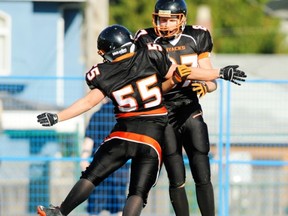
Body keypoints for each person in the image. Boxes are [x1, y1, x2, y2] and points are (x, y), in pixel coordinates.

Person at [35, 24, 195, 216]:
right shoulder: (150, 55)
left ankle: (60, 212)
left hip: (123, 134)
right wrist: (215, 74)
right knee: (137, 193)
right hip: (152, 138)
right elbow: (170, 81)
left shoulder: (105, 72)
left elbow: (88, 102)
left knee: (91, 177)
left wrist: (57, 117)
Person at [134, 0, 247, 215]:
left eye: (170, 19)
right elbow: (148, 87)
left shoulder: (196, 37)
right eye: (161, 19)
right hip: (163, 111)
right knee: (176, 177)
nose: (164, 24)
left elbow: (211, 81)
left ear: (182, 19)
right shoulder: (146, 39)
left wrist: (205, 87)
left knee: (202, 171)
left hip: (189, 107)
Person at [80, 98, 129, 216]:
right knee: (119, 205)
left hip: (98, 167)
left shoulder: (97, 116)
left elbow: (88, 142)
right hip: (119, 167)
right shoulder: (124, 117)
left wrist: (84, 162)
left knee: (95, 207)